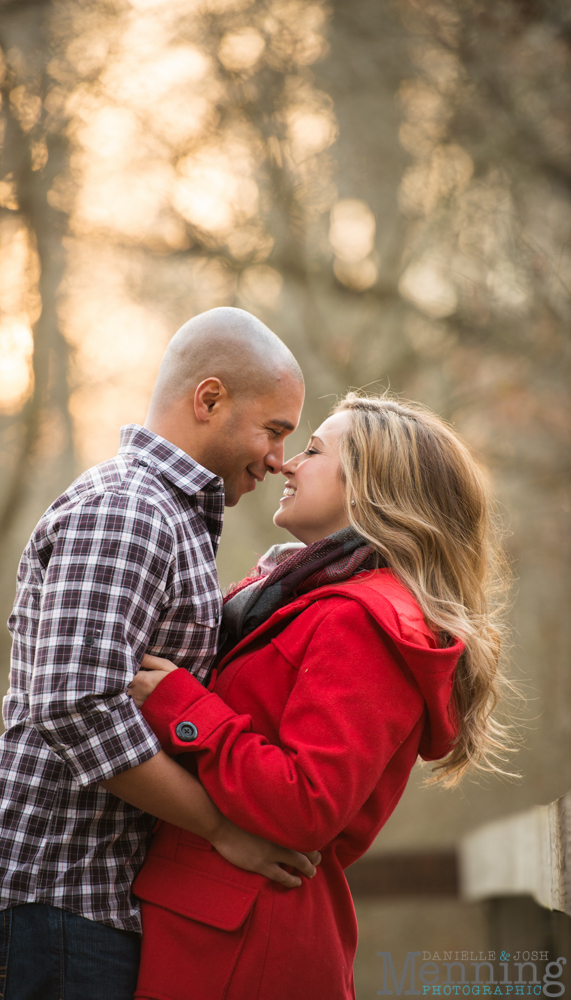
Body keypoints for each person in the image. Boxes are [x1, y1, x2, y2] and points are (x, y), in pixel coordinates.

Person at [0, 307, 316, 1000]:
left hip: (84, 895)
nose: (278, 459)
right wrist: (220, 828)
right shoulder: (128, 509)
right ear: (209, 399)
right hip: (47, 888)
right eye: (273, 430)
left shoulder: (172, 518)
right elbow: (76, 705)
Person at [128, 392, 514, 1000]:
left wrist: (183, 705)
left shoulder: (362, 622)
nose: (285, 463)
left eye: (312, 450)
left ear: (372, 486)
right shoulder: (304, 599)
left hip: (244, 942)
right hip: (217, 923)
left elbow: (308, 803)